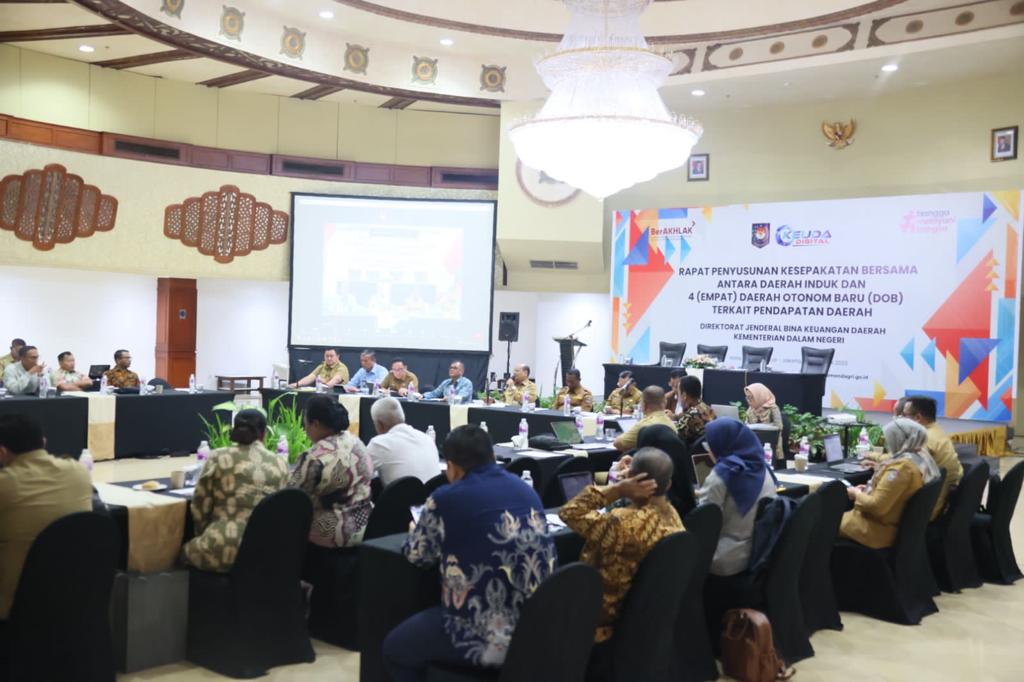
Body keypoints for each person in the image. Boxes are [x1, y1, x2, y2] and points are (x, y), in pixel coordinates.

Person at [383, 425, 555, 680]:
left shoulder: (446, 498)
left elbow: (418, 556)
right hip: (536, 625)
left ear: (451, 467)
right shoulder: (525, 489)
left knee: (395, 648)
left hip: (484, 632)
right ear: (493, 456)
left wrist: (415, 532)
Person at [560, 447, 683, 642]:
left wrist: (618, 489)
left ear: (630, 478)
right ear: (668, 484)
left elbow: (569, 512)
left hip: (602, 619)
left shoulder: (620, 524)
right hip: (647, 618)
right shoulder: (673, 516)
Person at [0, 414, 92, 619]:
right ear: (43, 442)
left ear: (2, 452)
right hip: (74, 602)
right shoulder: (79, 472)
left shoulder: (5, 485)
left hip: (14, 608)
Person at [181, 410, 288, 571]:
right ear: (263, 434)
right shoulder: (280, 463)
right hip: (268, 552)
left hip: (221, 547)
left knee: (182, 553)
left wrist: (203, 534)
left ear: (234, 430)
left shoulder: (218, 457)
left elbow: (200, 505)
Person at [288, 396, 374, 547]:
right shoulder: (357, 443)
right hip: (367, 527)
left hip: (332, 535)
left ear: (315, 424)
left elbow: (292, 497)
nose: (305, 429)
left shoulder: (314, 457)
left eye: (305, 423)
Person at [838, 418, 938, 549]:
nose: (888, 443)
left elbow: (876, 507)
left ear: (898, 440)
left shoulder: (902, 468)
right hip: (888, 525)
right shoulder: (919, 457)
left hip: (874, 531)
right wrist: (870, 488)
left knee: (820, 521)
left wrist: (856, 493)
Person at [699, 418, 777, 576]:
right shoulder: (764, 468)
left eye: (710, 445)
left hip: (726, 559)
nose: (709, 450)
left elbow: (705, 522)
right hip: (762, 552)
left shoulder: (722, 475)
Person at [903, 395, 962, 519]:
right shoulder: (938, 433)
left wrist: (874, 458)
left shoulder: (924, 439)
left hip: (926, 510)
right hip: (941, 502)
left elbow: (901, 466)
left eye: (905, 415)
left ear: (918, 418)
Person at [365, 397, 439, 486]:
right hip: (432, 494)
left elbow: (357, 474)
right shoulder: (427, 439)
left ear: (379, 424)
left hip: (402, 494)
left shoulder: (379, 444)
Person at [613, 386, 675, 452]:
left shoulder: (643, 425)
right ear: (665, 402)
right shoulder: (672, 424)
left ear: (644, 405)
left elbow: (617, 443)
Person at [744, 382, 784, 461]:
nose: (749, 401)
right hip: (754, 441)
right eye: (747, 398)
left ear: (759, 396)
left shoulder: (772, 408)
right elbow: (746, 425)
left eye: (751, 397)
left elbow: (779, 426)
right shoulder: (750, 410)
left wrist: (759, 427)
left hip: (769, 443)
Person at [672, 375, 716, 443]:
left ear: (684, 395)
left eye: (678, 393)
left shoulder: (690, 415)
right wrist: (675, 417)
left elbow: (673, 433)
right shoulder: (707, 408)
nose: (678, 397)